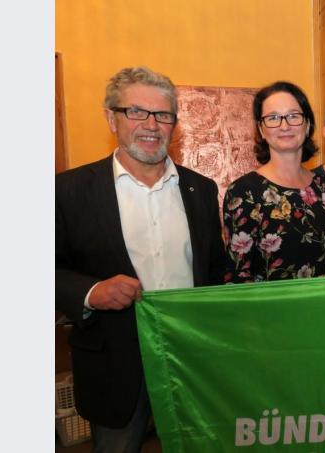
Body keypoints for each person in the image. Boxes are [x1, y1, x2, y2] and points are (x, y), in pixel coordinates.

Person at [55, 66, 226, 452]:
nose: (151, 125)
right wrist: (91, 291)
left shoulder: (201, 190)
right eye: (136, 111)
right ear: (110, 116)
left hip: (191, 362)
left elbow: (215, 270)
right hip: (114, 366)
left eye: (163, 115)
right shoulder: (67, 191)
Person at [224, 81, 325, 282]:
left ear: (307, 125)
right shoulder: (244, 192)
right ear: (261, 129)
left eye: (293, 116)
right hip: (268, 311)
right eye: (273, 118)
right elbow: (238, 275)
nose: (284, 125)